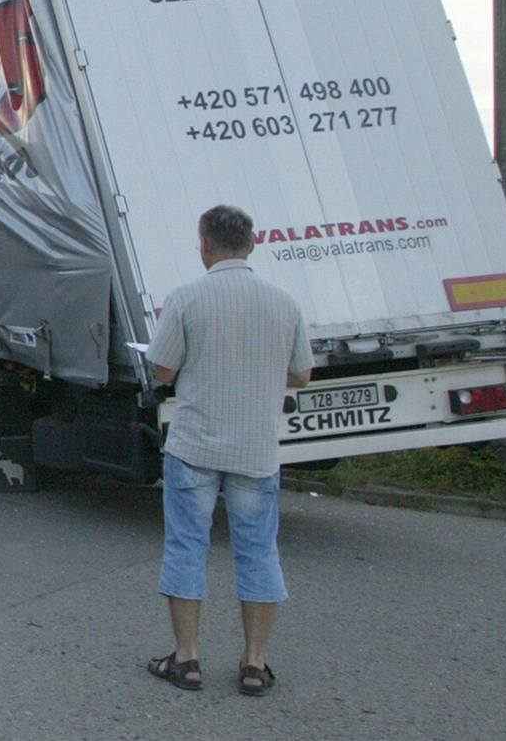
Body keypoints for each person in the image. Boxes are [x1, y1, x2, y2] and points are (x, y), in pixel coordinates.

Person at [141, 204, 312, 697]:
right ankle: (255, 664)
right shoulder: (284, 304)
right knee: (258, 550)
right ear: (252, 243)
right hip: (255, 449)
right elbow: (302, 374)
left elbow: (163, 370)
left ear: (205, 246)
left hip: (195, 445)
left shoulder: (186, 298)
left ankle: (188, 659)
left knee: (187, 546)